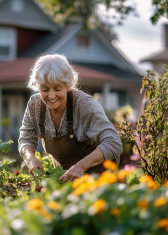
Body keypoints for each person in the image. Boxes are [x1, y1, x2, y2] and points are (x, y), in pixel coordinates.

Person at [18, 54, 123, 182]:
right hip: (66, 177)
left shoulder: (84, 105)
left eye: (57, 89)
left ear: (68, 85)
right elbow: (25, 137)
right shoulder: (35, 104)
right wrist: (31, 158)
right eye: (45, 89)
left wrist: (81, 166)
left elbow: (113, 142)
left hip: (98, 177)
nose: (51, 96)